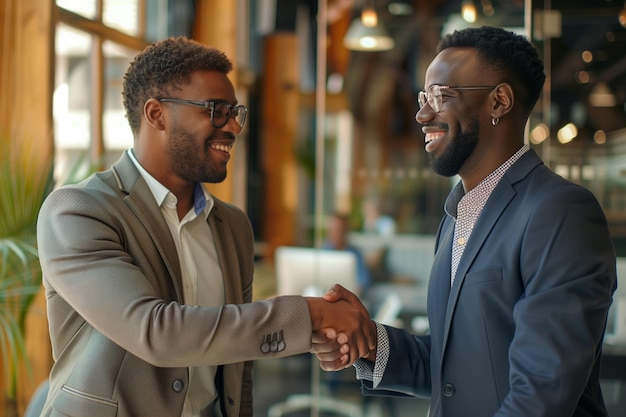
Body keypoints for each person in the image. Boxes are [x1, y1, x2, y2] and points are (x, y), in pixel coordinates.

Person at [36, 36, 375, 417]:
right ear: (156, 114)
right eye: (215, 109)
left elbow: (235, 367)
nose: (232, 125)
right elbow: (156, 332)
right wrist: (311, 316)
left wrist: (312, 336)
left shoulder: (232, 226)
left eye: (234, 112)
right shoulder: (78, 211)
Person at [314, 26, 617, 417]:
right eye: (425, 97)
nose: (422, 114)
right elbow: (456, 370)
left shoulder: (560, 211)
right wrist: (369, 340)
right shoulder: (457, 215)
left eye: (441, 96)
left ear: (499, 102)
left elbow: (542, 394)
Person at [323, 212, 371, 293]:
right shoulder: (322, 253)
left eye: (339, 230)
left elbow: (364, 280)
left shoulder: (354, 254)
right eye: (332, 230)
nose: (335, 234)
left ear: (345, 231)